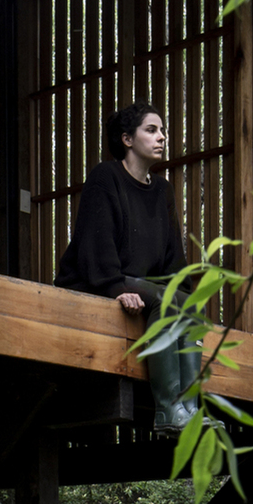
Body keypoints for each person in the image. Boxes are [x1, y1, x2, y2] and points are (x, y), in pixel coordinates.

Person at [56, 102, 202, 432]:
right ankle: (168, 409)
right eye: (151, 130)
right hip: (95, 279)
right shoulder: (105, 177)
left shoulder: (163, 190)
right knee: (167, 302)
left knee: (191, 305)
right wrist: (116, 288)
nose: (161, 137)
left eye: (163, 131)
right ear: (127, 139)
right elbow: (96, 243)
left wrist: (184, 296)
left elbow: (172, 255)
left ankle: (190, 409)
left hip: (140, 286)